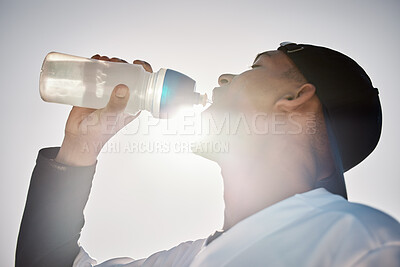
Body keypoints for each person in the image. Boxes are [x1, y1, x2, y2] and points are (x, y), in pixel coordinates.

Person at [16, 42, 400, 266]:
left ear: (293, 99)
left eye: (256, 66)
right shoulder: (187, 260)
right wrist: (81, 147)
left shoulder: (361, 246)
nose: (223, 79)